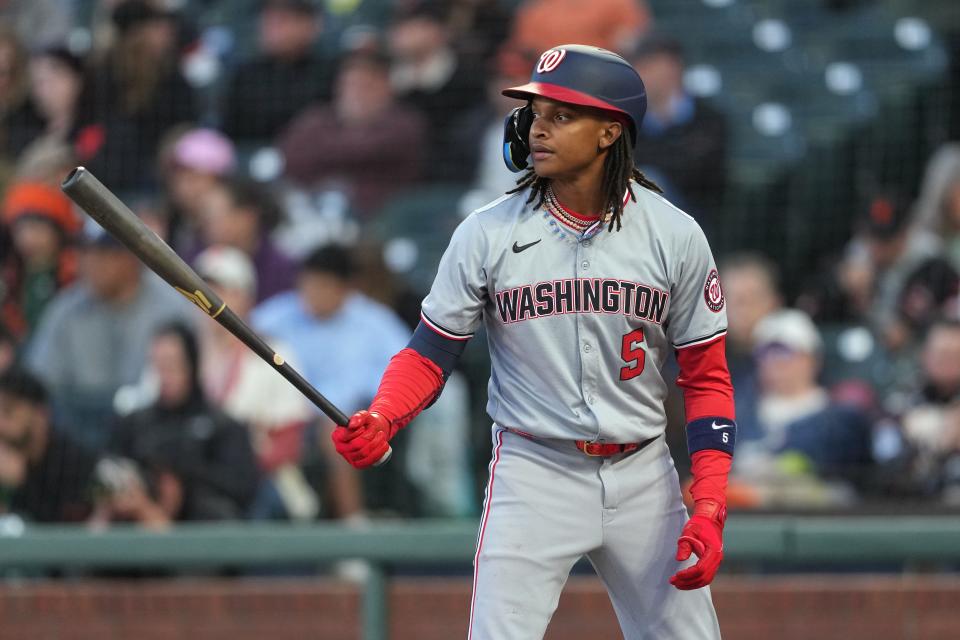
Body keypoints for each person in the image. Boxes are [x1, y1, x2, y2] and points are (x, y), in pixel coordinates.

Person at [330, 45, 733, 637]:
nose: (536, 126)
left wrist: (711, 501)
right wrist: (386, 414)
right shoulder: (486, 232)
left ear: (608, 133)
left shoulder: (674, 233)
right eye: (536, 111)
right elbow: (429, 351)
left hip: (644, 472)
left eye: (562, 114)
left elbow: (707, 377)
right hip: (535, 469)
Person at [25, 220, 194, 450]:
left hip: (155, 430)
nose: (91, 263)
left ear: (132, 256)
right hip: (78, 432)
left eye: (104, 253)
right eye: (85, 252)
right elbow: (40, 382)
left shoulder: (170, 306)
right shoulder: (66, 309)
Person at [193, 245, 318, 521]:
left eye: (222, 291)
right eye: (203, 293)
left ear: (246, 298)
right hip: (197, 487)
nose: (210, 303)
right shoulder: (181, 353)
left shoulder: (275, 354)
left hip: (263, 483)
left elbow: (291, 444)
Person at [96, 323, 260, 526]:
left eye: (172, 365)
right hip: (137, 531)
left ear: (191, 364)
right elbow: (107, 473)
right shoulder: (133, 424)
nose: (165, 376)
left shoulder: (224, 427)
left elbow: (244, 490)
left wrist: (188, 470)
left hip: (201, 537)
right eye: (158, 365)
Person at [278, 51, 425, 218]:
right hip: (312, 212)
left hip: (381, 216)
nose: (356, 93)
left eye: (366, 86)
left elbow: (369, 151)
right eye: (349, 85)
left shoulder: (405, 122)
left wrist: (323, 153)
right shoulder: (315, 118)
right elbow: (291, 154)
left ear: (386, 87)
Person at [73, 0, 197, 192]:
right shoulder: (103, 73)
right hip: (106, 167)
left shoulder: (172, 77)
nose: (166, 34)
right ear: (137, 35)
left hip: (155, 171)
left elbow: (184, 125)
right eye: (156, 28)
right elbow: (85, 124)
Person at [628, 34, 728, 227]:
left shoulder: (709, 119)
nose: (640, 74)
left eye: (648, 66)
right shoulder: (629, 120)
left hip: (696, 218)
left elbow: (703, 175)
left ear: (673, 68)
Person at [221, 0, 332, 144]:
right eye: (267, 18)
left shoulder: (330, 73)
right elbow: (228, 134)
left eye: (282, 19)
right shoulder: (245, 75)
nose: (271, 27)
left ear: (310, 25)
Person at [0, 368, 98, 523]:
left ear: (40, 414)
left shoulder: (76, 462)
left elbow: (61, 530)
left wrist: (21, 484)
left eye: (8, 411)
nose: (2, 424)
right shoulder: (5, 463)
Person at [1, 180, 81, 341]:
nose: (28, 238)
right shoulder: (11, 275)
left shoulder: (74, 272)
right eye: (20, 229)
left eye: (36, 228)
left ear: (58, 232)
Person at [196, 176, 297, 303]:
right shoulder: (194, 256)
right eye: (206, 215)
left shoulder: (282, 270)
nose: (207, 223)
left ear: (247, 217)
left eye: (215, 215)